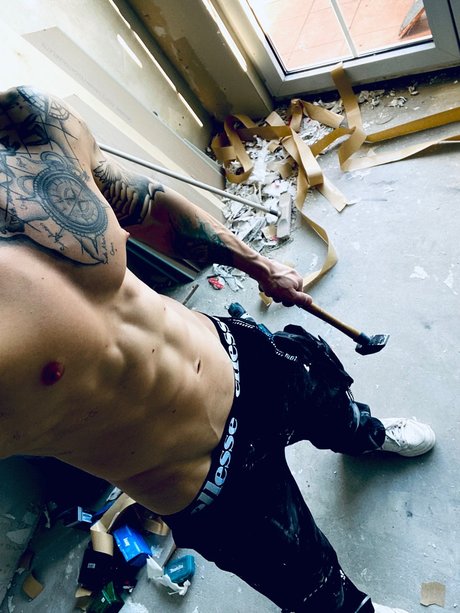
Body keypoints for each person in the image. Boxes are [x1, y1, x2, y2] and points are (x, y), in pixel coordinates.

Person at [0, 86, 434, 613]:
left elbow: (145, 206)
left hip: (240, 357)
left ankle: (363, 435)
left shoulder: (23, 126)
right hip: (199, 477)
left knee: (329, 401)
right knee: (312, 584)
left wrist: (258, 264)